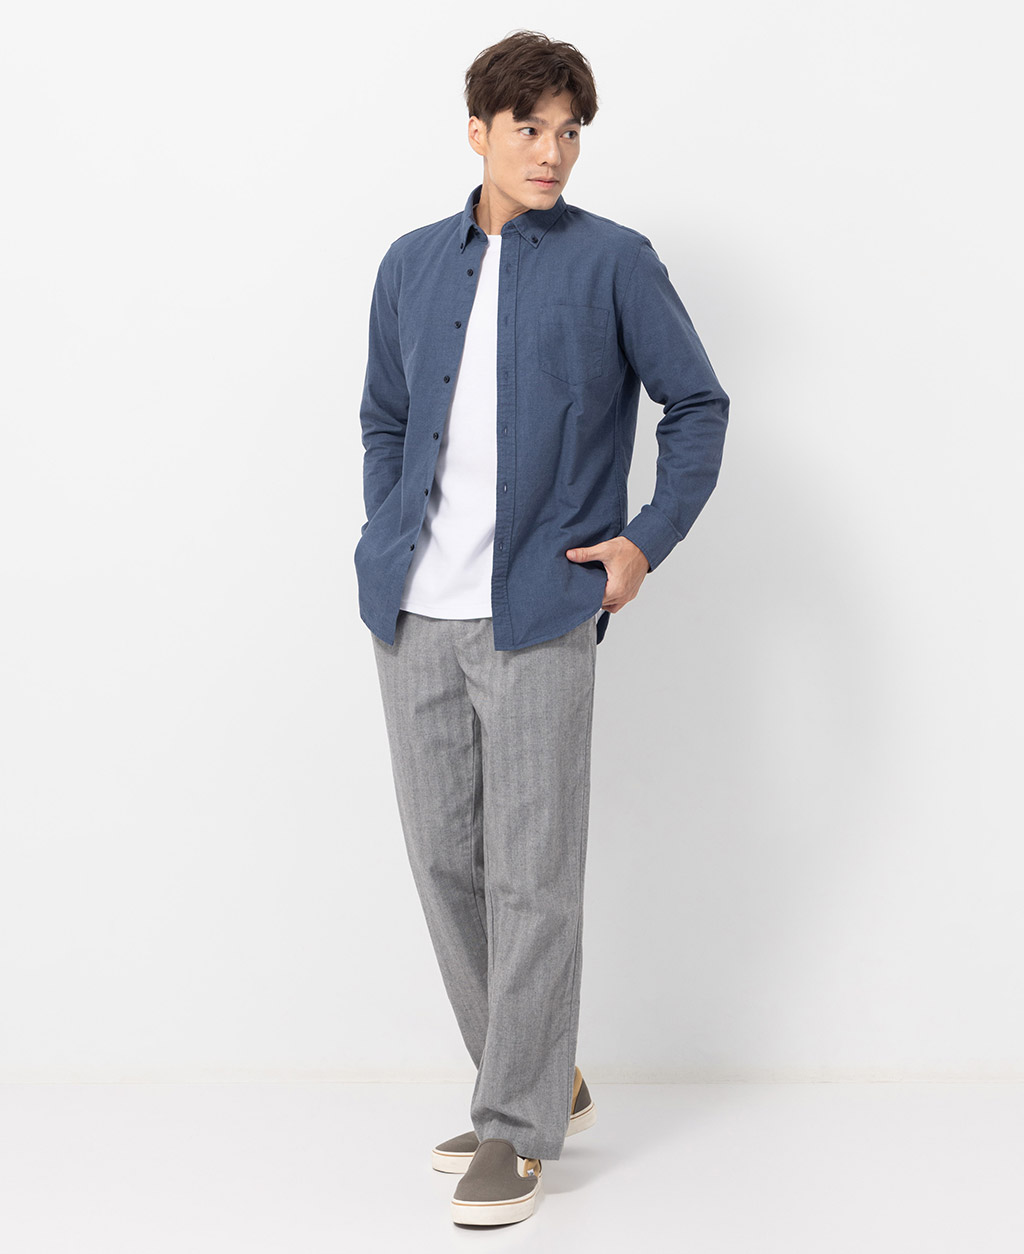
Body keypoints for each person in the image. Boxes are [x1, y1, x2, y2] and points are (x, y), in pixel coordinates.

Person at [354, 29, 729, 1227]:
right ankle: (537, 1077)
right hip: (412, 608)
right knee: (443, 864)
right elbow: (383, 416)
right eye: (529, 128)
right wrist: (385, 530)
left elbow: (696, 403)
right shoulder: (411, 264)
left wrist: (642, 541)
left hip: (539, 611)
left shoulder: (614, 262)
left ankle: (514, 1128)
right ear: (479, 132)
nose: (552, 151)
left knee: (534, 875)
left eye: (569, 131)